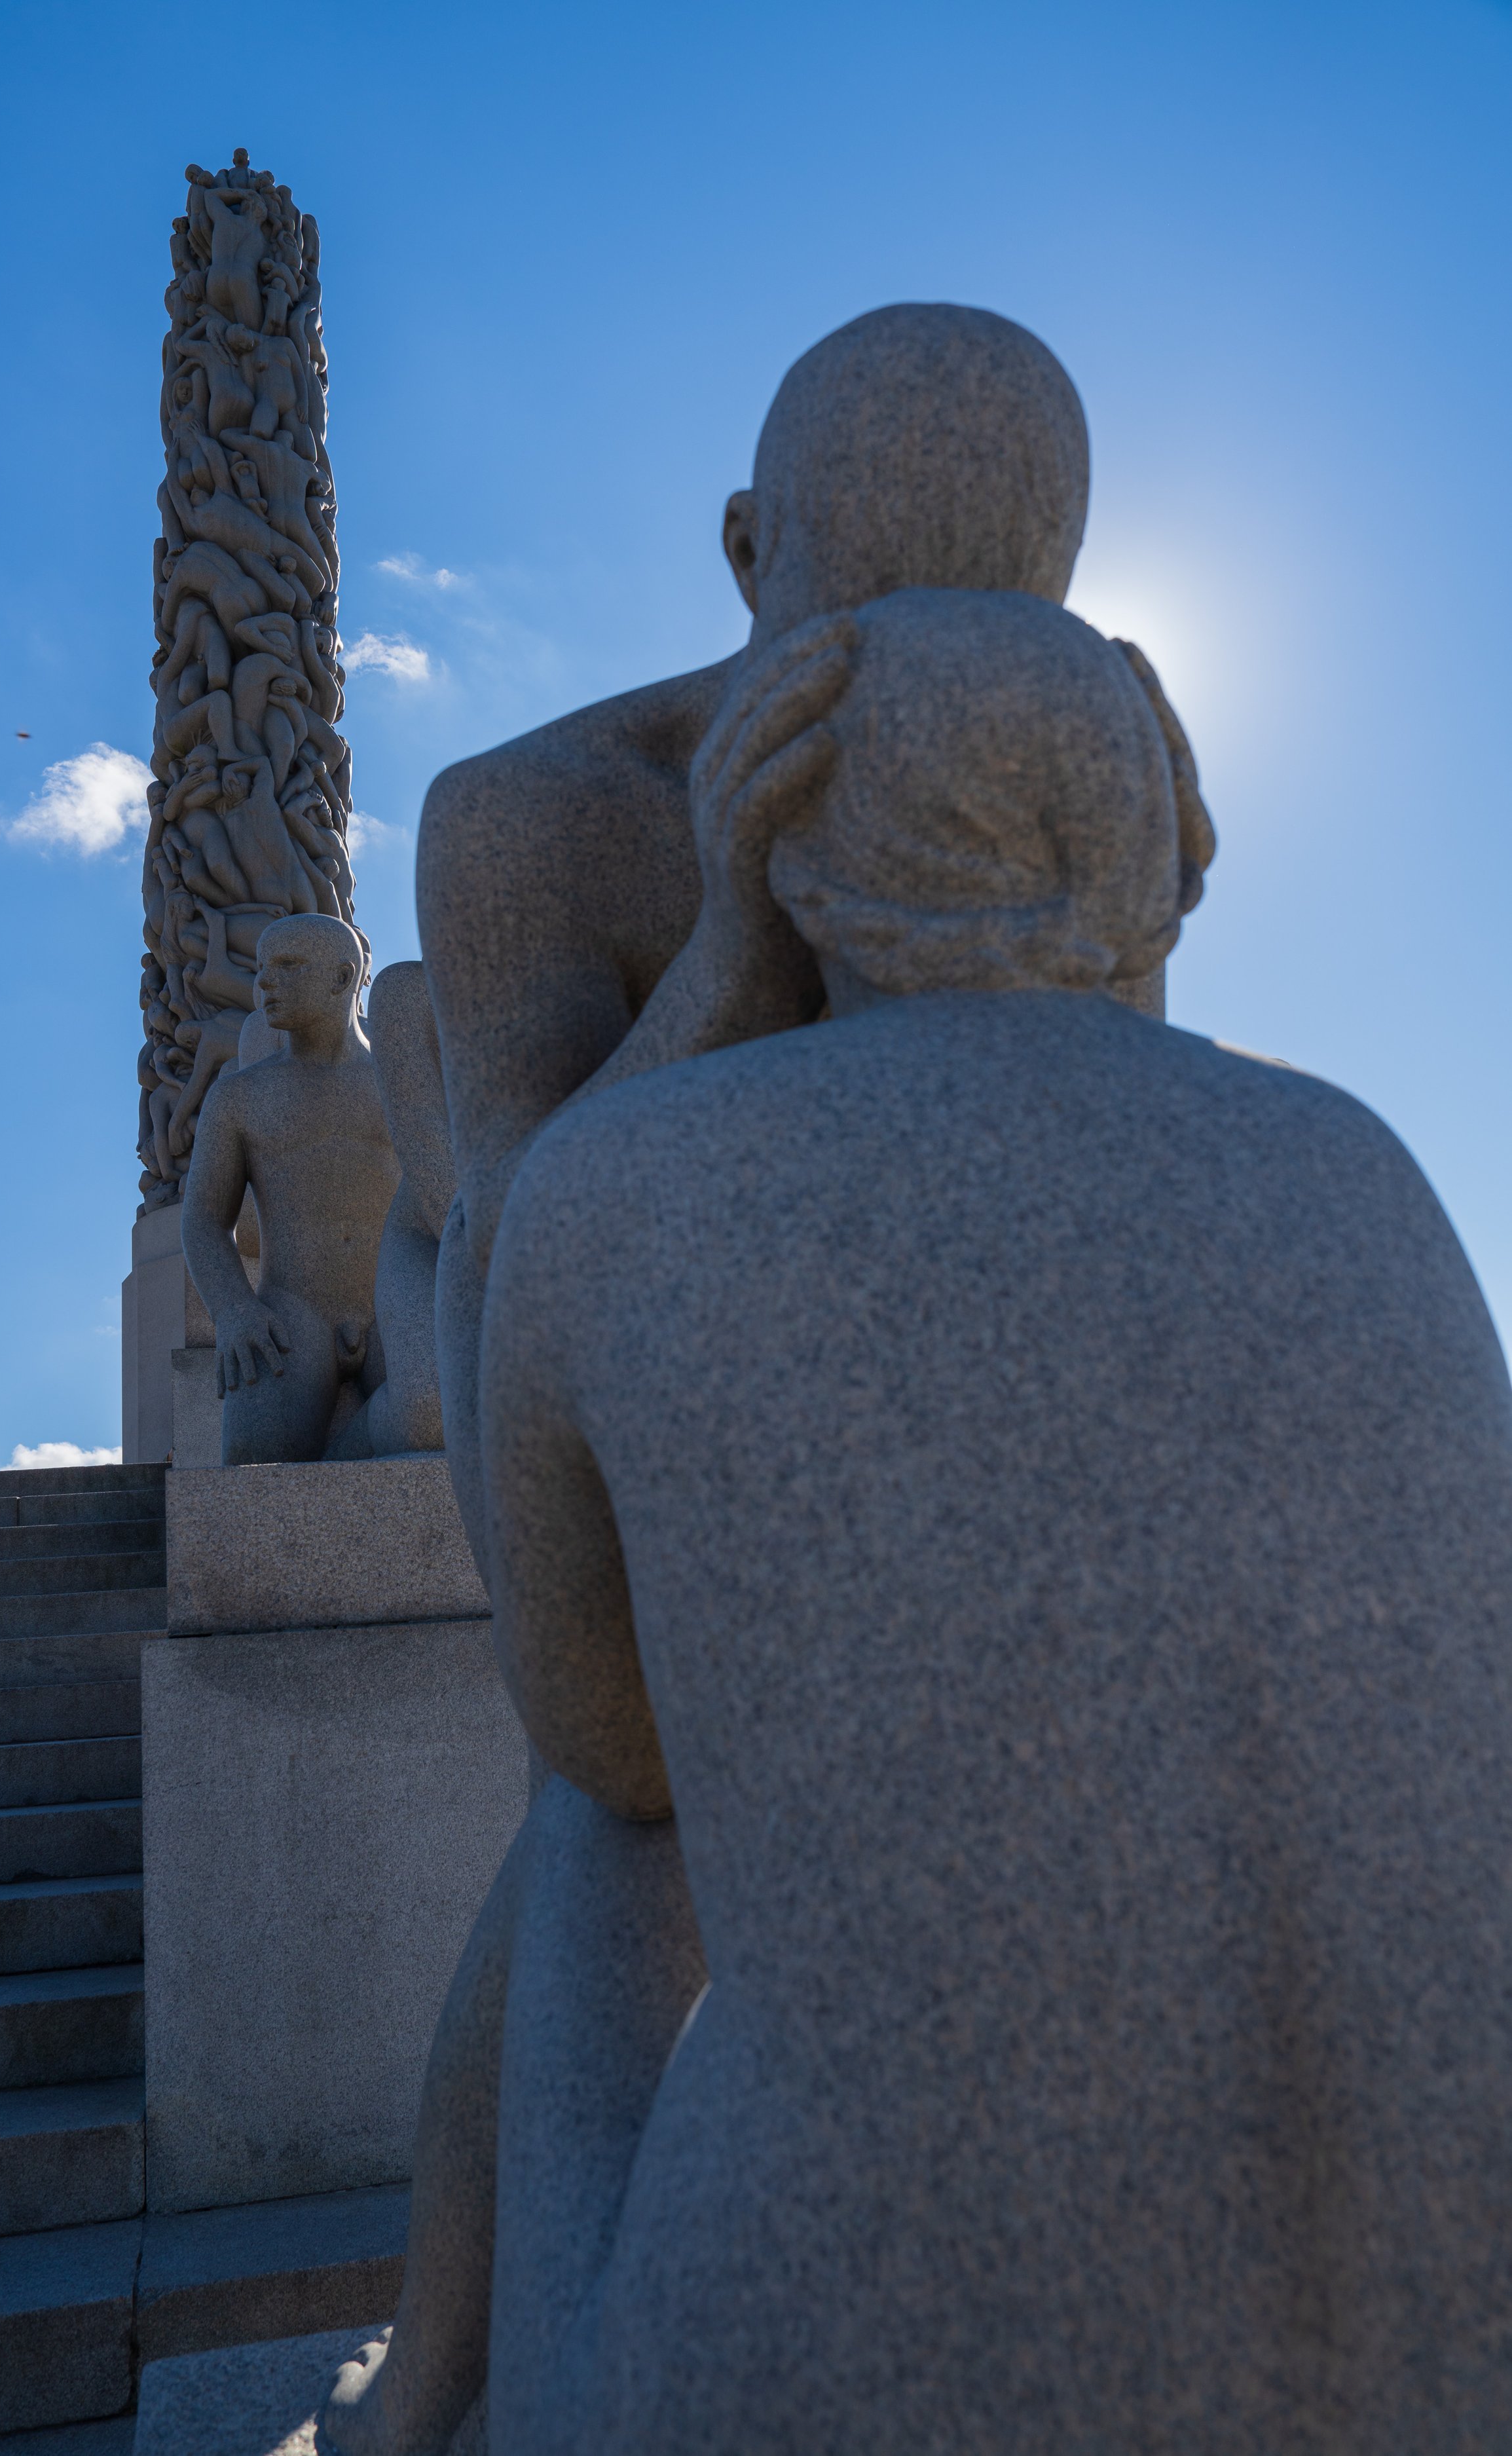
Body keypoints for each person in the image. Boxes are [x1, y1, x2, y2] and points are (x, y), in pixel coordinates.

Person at [473, 587, 1512, 2451]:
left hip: (801, 2360)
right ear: (1151, 827)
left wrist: (723, 954)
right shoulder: (1362, 1162)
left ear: (781, 833)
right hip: (1453, 2347)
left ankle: (465, 2398)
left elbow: (601, 1733)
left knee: (593, 1824)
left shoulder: (616, 1186)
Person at [321, 303, 1213, 2455]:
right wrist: (731, 937)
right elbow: (516, 1263)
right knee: (623, 1812)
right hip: (611, 1411)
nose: (934, 663)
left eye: (997, 614)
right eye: (876, 599)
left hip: (926, 1416)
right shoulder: (550, 818)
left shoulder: (1034, 770)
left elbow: (1106, 1185)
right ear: (743, 558)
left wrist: (1132, 925)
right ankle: (459, 2371)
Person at [181, 914, 397, 1464]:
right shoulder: (239, 1097)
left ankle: (340, 1459)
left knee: (443, 1415)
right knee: (257, 1452)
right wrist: (233, 1310)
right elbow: (205, 1219)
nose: (265, 984)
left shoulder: (400, 1082)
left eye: (288, 966)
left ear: (342, 978)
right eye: (261, 969)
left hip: (395, 1303)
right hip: (292, 1313)